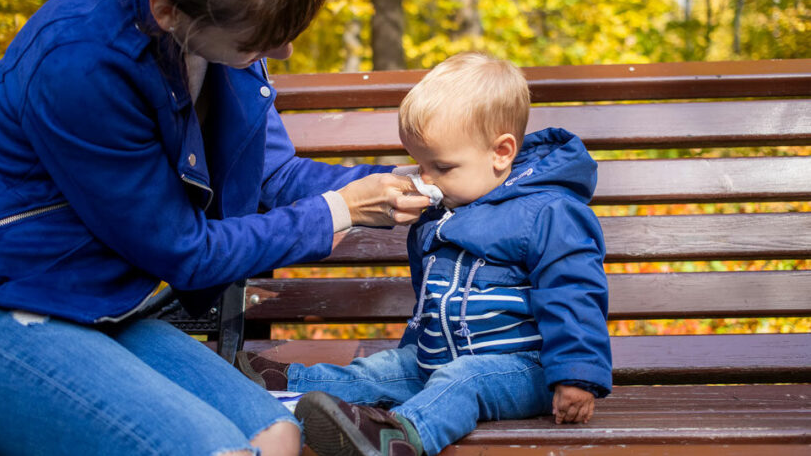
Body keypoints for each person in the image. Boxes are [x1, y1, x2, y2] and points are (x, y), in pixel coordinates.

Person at [0, 0, 430, 455]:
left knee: (278, 434)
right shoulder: (79, 65)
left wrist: (396, 181)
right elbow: (182, 251)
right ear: (166, 11)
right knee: (214, 450)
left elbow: (274, 176)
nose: (279, 53)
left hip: (104, 307)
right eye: (260, 41)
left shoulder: (218, 8)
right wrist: (338, 211)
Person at [237, 52, 613, 456]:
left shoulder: (549, 211)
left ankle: (399, 439)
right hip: (437, 360)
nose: (425, 180)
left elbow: (574, 292)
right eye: (419, 164)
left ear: (501, 152)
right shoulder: (448, 205)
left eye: (442, 166)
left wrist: (576, 375)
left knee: (464, 380)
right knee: (382, 369)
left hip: (523, 369)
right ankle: (284, 386)